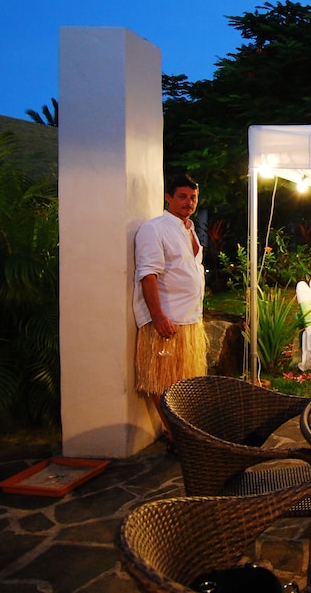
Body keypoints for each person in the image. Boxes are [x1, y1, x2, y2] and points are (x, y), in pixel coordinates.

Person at [133, 174, 207, 440]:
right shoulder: (155, 229)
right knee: (163, 381)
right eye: (182, 196)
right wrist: (157, 316)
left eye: (193, 197)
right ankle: (174, 435)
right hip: (167, 321)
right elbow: (148, 274)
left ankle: (184, 432)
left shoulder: (189, 230)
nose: (189, 202)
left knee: (184, 382)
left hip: (189, 319)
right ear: (168, 197)